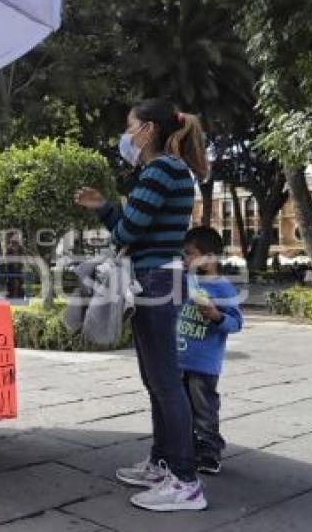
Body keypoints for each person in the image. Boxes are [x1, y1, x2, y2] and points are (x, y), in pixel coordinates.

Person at [76, 98, 209, 512]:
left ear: (147, 129)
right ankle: (163, 461)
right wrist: (112, 211)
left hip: (155, 279)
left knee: (165, 382)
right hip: (155, 278)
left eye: (129, 126)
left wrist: (104, 208)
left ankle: (185, 481)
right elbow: (136, 227)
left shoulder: (160, 170)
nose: (125, 135)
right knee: (156, 379)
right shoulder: (166, 170)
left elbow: (128, 231)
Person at [178, 227, 243, 475]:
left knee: (204, 409)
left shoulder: (223, 287)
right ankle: (187, 447)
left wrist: (216, 316)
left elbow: (236, 323)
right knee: (181, 409)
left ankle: (210, 451)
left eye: (191, 254)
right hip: (179, 358)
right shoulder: (184, 281)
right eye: (184, 255)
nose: (186, 260)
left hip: (204, 363)